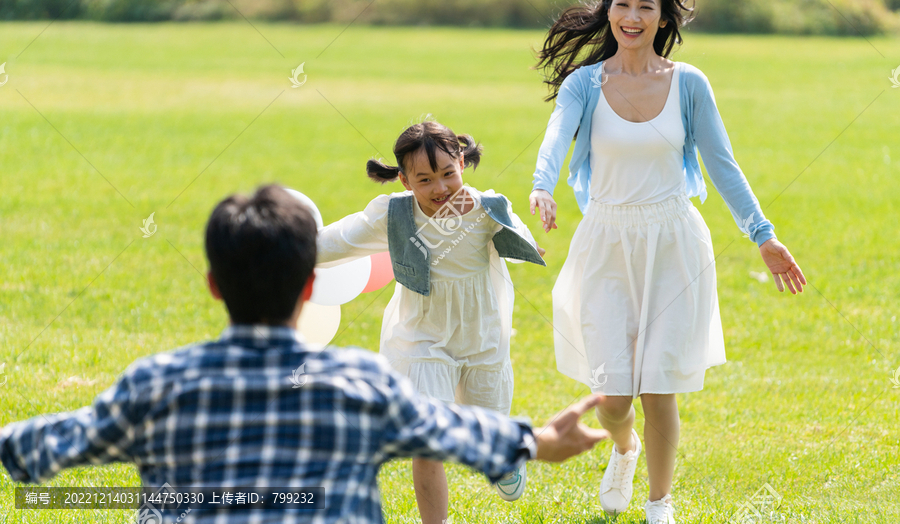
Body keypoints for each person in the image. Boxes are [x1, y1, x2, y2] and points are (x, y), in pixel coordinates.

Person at [0, 184, 609, 523]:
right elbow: (450, 431)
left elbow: (35, 452)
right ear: (309, 285)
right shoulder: (360, 385)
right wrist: (535, 442)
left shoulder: (156, 385)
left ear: (214, 285)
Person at [530, 0, 806, 524]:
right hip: (606, 242)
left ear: (662, 19)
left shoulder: (689, 83)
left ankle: (660, 504)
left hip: (674, 242)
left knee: (658, 386)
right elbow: (557, 134)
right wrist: (542, 185)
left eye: (645, 7)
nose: (632, 16)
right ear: (609, 10)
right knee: (612, 398)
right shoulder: (586, 83)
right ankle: (624, 449)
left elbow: (723, 166)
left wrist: (764, 235)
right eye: (623, 4)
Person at [316, 120, 546, 523]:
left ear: (461, 163)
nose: (440, 188)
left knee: (488, 430)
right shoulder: (392, 215)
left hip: (482, 337)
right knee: (426, 441)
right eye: (425, 179)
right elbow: (337, 240)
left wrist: (527, 236)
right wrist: (281, 247)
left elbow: (518, 233)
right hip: (421, 338)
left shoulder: (484, 206)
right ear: (405, 181)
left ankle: (505, 453)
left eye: (447, 174)